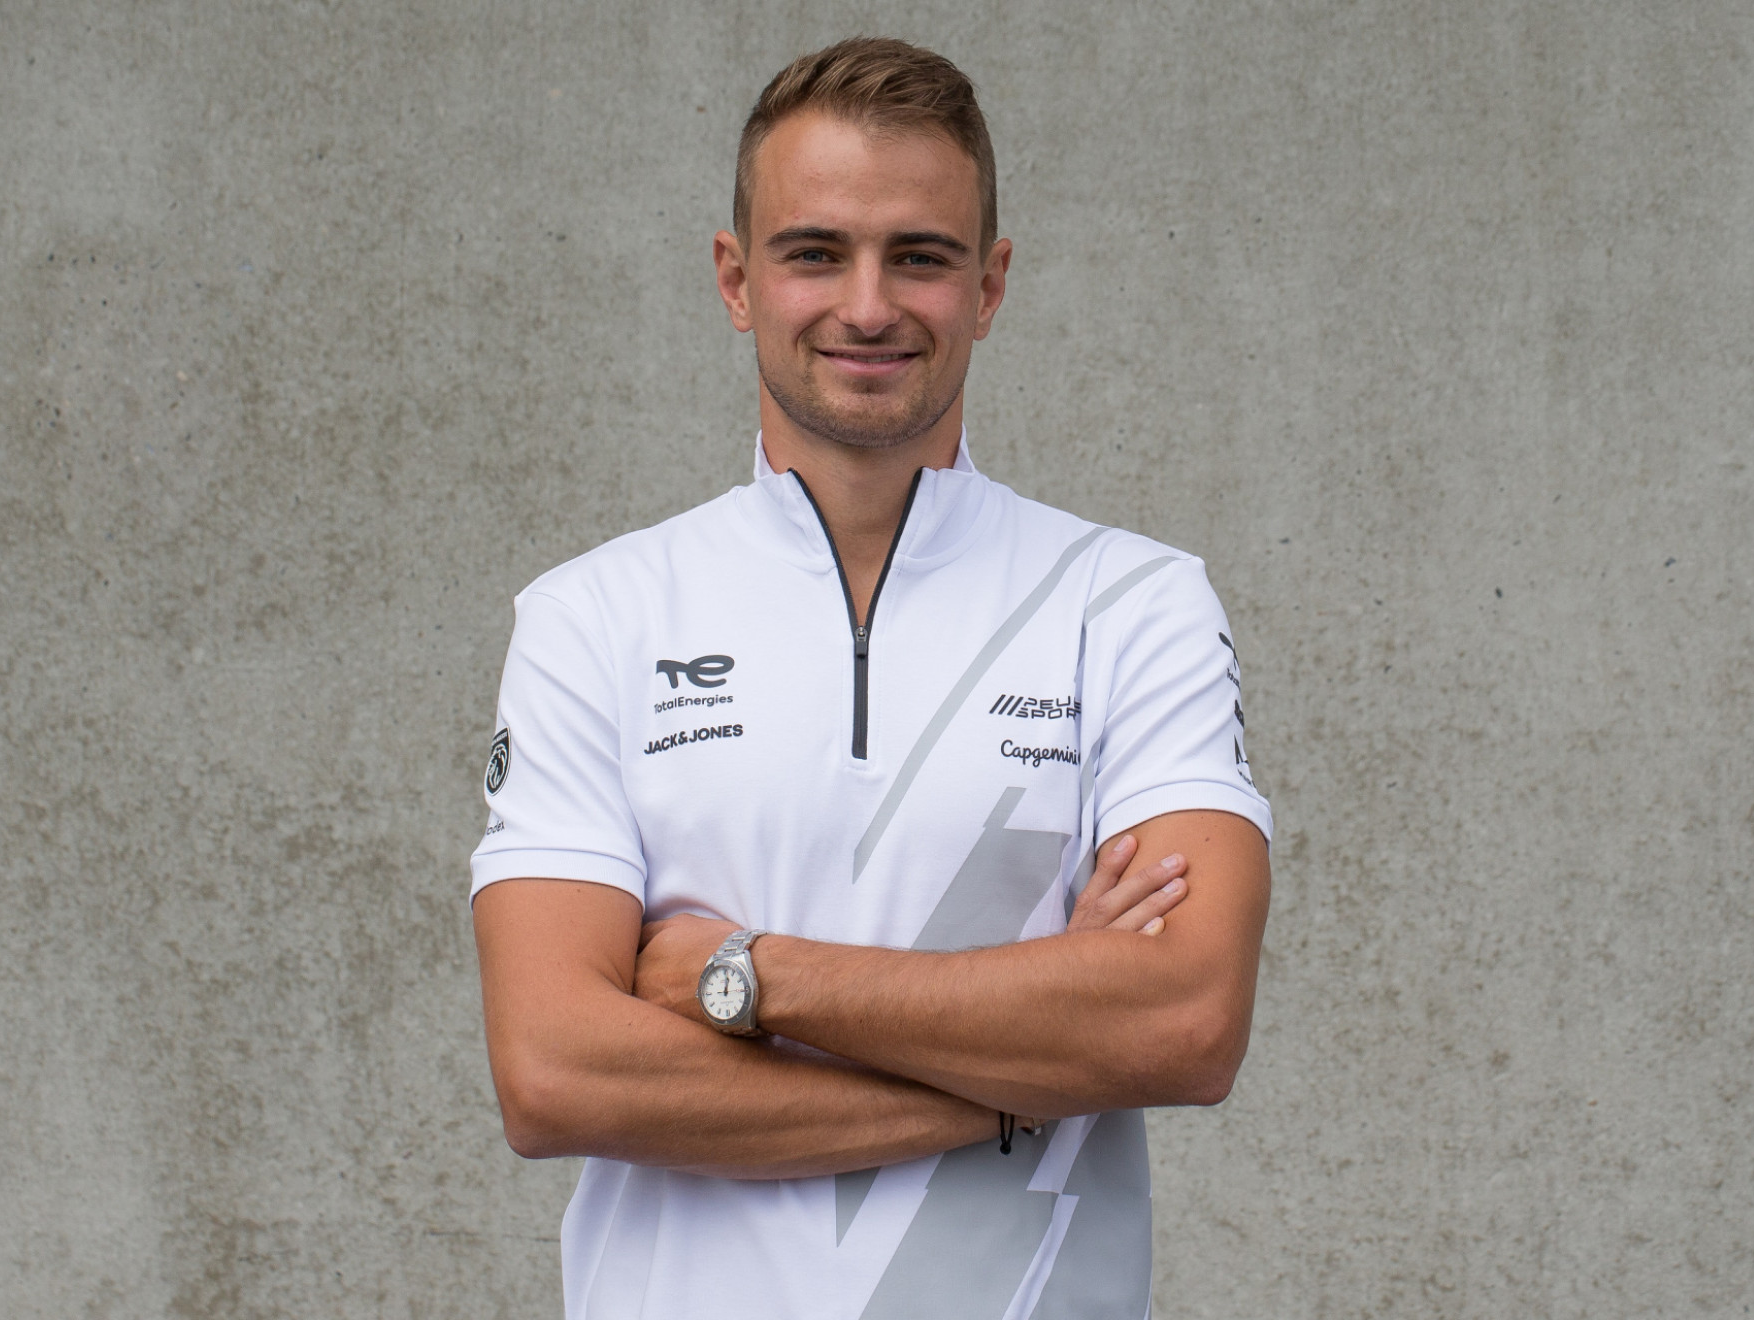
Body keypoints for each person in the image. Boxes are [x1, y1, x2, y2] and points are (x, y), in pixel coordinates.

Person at [469, 36, 1272, 1320]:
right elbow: (557, 1076)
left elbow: (1182, 1023)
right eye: (814, 252)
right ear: (736, 280)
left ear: (989, 286)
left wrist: (748, 976)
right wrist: (1028, 1076)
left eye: (920, 256)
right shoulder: (595, 617)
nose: (867, 305)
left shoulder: (1130, 604)